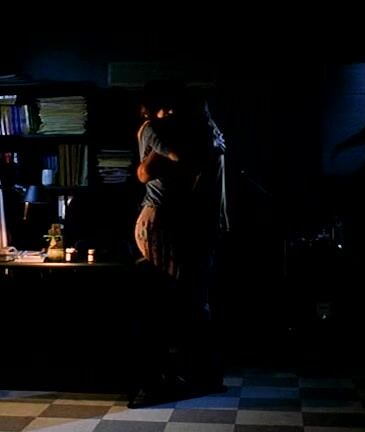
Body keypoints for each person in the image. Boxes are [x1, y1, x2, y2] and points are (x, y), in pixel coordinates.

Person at [129, 80, 228, 408]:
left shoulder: (190, 139)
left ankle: (182, 374)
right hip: (174, 222)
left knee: (183, 299)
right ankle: (187, 374)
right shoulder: (206, 137)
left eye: (173, 109)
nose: (168, 114)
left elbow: (145, 173)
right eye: (164, 109)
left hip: (180, 222)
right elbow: (147, 172)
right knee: (187, 299)